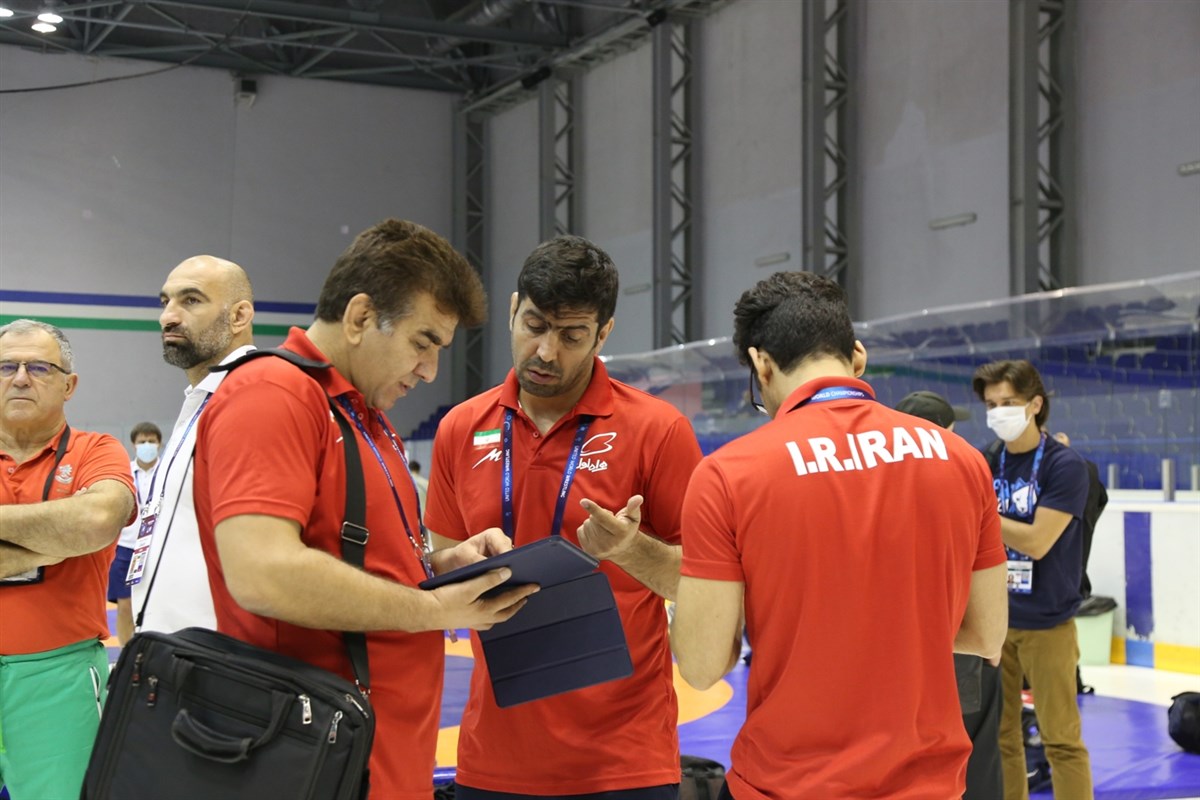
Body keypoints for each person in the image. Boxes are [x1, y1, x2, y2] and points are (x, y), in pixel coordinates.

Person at [192, 219, 538, 800]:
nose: (430, 370)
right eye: (422, 343)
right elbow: (262, 573)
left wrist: (441, 566)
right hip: (312, 766)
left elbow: (359, 559)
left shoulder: (364, 418)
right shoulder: (273, 395)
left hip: (378, 760)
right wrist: (433, 610)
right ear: (358, 318)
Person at [671, 272, 1008, 800]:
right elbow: (987, 635)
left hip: (787, 784)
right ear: (857, 356)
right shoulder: (962, 459)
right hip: (929, 784)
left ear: (761, 363)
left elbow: (700, 666)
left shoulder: (728, 474)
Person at [424, 234, 703, 799]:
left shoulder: (658, 430)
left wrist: (629, 549)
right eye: (534, 326)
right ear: (512, 310)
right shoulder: (460, 428)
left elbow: (699, 583)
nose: (547, 352)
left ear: (603, 333)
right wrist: (454, 568)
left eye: (572, 335)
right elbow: (440, 578)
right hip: (494, 757)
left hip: (625, 760)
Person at [0, 319, 137, 800]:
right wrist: (60, 540)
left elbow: (98, 519)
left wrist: (83, 532)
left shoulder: (96, 450)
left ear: (69, 385)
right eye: (6, 367)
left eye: (39, 367)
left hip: (59, 677)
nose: (20, 378)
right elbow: (79, 529)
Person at [972, 360, 1094, 800]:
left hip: (1048, 622)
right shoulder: (985, 460)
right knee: (1000, 737)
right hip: (996, 621)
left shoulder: (1065, 466)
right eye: (991, 405)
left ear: (1035, 404)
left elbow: (1038, 541)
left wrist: (981, 511)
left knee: (1060, 738)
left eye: (1008, 402)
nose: (998, 412)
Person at [129, 255, 256, 634]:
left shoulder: (253, 398)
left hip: (215, 650)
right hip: (170, 648)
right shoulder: (203, 398)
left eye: (191, 300)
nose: (167, 317)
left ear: (239, 316)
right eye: (165, 301)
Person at [896, 390, 1003, 800]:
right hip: (959, 645)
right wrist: (989, 638)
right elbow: (985, 569)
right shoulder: (961, 477)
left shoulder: (875, 484)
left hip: (898, 653)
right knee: (975, 758)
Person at [109, 420, 161, 644]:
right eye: (142, 442)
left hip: (157, 546)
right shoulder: (125, 472)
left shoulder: (167, 471)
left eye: (151, 441)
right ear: (134, 445)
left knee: (158, 603)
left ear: (159, 444)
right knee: (125, 605)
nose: (147, 445)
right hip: (126, 547)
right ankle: (125, 653)